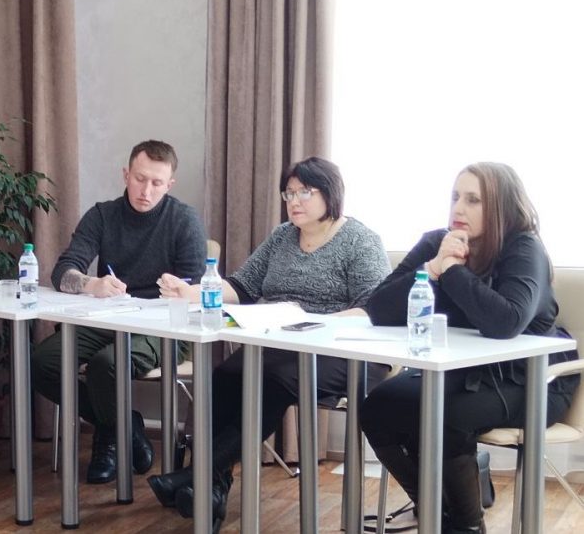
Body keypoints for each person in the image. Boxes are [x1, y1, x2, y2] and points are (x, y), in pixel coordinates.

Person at [153, 156, 390, 531]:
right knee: (225, 376)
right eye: (288, 193)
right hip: (280, 345)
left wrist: (314, 322)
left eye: (304, 192)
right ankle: (210, 491)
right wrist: (191, 291)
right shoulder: (282, 236)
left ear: (330, 194)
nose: (294, 201)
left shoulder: (360, 241)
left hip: (344, 352)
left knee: (272, 381)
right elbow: (242, 285)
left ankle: (193, 476)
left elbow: (373, 308)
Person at [360, 162, 579, 534]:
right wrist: (432, 267)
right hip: (463, 373)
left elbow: (505, 322)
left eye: (473, 200)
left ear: (501, 206)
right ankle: (438, 511)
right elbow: (378, 309)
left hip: (533, 379)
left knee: (447, 416)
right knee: (378, 407)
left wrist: (452, 271)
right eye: (455, 197)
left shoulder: (523, 248)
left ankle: (466, 527)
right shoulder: (437, 243)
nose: (458, 208)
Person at [30, 140, 207, 484]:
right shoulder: (103, 215)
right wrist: (91, 284)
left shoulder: (184, 220)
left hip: (164, 326)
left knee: (106, 365)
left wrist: (180, 290)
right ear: (126, 175)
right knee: (41, 363)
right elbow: (63, 270)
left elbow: (198, 291)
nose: (146, 190)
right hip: (109, 317)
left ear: (169, 185)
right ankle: (125, 426)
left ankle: (109, 439)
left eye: (157, 183)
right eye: (140, 179)